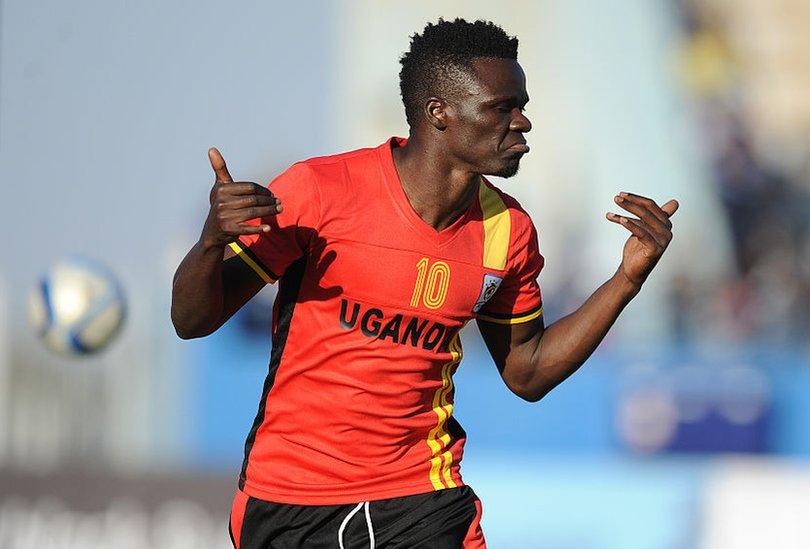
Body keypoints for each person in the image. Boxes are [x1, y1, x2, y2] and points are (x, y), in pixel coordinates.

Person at [171, 17, 677, 549]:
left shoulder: (509, 231)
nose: (522, 122)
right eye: (502, 108)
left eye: (522, 106)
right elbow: (191, 320)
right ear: (440, 113)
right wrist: (211, 243)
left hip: (421, 498)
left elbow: (527, 372)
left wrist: (626, 278)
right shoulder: (320, 191)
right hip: (290, 500)